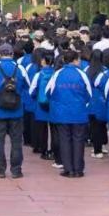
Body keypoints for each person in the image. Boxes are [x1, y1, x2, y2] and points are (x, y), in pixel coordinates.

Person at [0, 43, 30, 179]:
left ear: (0, 53)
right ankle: (16, 170)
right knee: (16, 141)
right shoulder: (20, 68)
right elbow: (27, 84)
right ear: (11, 53)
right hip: (16, 109)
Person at [45, 49, 92, 178]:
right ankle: (78, 169)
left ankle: (68, 169)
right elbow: (89, 94)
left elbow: (48, 92)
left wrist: (57, 102)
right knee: (78, 141)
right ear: (76, 60)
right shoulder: (82, 74)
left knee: (64, 140)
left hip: (61, 113)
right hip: (79, 113)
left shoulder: (57, 74)